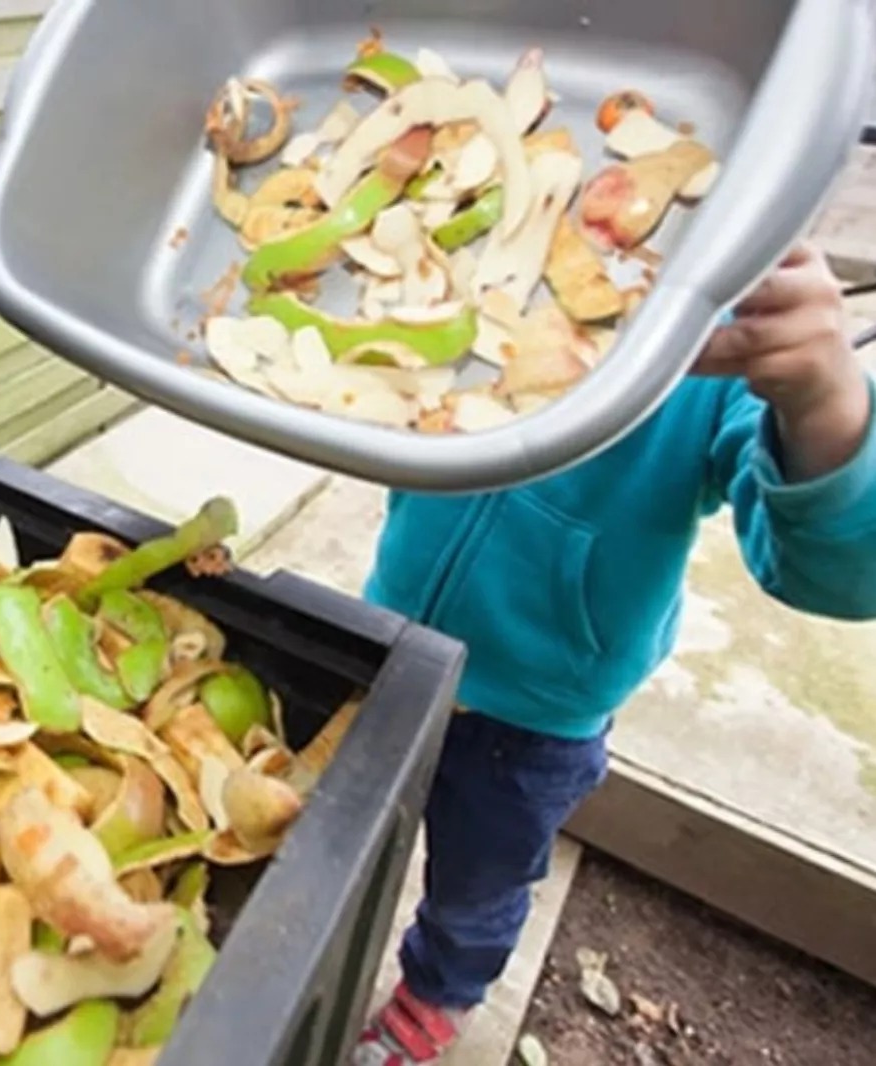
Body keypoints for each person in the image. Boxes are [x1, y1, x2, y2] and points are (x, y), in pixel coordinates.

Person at [350, 242, 876, 1066]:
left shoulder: (721, 317)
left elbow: (842, 571)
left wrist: (821, 397)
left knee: (477, 885)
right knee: (346, 830)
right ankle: (330, 946)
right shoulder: (491, 239)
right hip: (389, 640)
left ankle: (439, 991)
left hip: (532, 721)